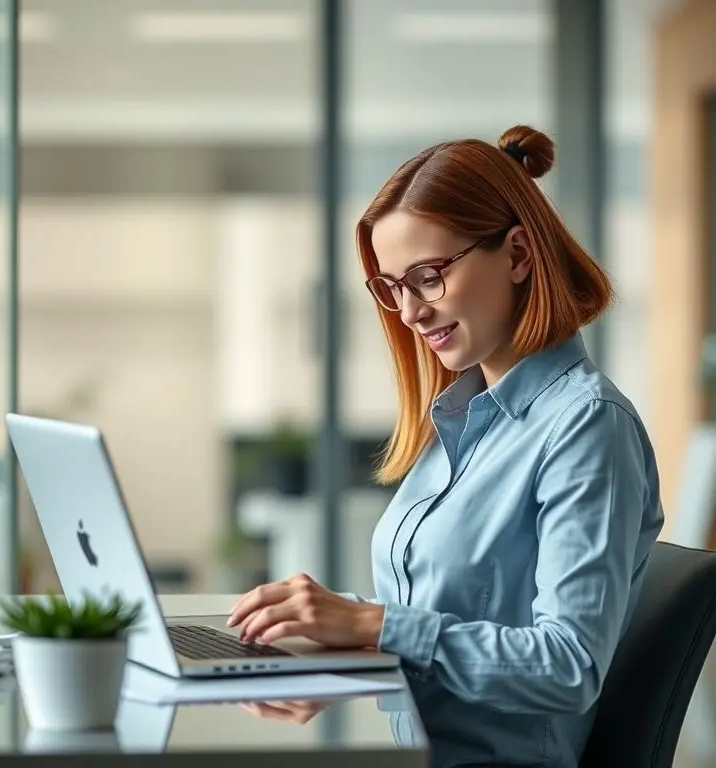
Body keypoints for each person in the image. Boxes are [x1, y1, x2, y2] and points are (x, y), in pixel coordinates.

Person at [228, 125, 665, 767]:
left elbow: (568, 666)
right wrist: (332, 642)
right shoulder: (461, 422)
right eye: (391, 288)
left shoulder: (587, 426)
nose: (408, 313)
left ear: (518, 255)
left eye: (428, 277)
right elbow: (441, 620)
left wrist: (371, 628)